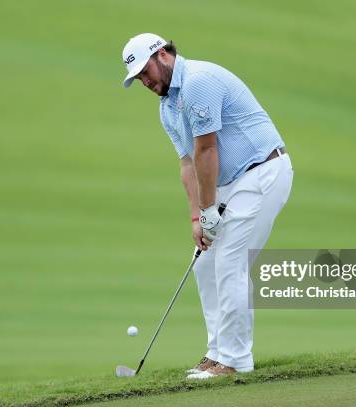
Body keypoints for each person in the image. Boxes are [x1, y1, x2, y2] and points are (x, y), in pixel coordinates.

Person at [121, 33, 293, 379]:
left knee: (230, 261)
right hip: (230, 183)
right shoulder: (167, 106)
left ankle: (234, 360)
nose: (145, 81)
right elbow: (187, 164)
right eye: (138, 77)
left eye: (145, 71)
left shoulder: (199, 81)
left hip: (261, 172)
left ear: (163, 55)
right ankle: (217, 352)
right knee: (205, 264)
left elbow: (207, 150)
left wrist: (210, 208)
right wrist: (197, 216)